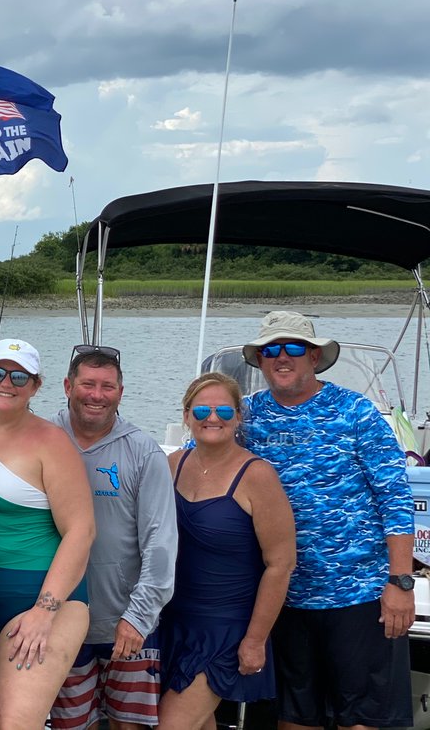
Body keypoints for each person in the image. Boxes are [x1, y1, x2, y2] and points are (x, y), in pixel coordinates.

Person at [240, 311, 415, 729]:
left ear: (314, 356)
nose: (283, 357)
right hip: (279, 596)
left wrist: (400, 583)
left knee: (364, 719)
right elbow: (195, 465)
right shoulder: (242, 416)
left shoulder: (357, 411)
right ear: (260, 360)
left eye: (294, 347)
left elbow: (395, 498)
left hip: (359, 596)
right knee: (294, 718)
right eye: (271, 350)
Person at [0, 339, 95, 730]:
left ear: (35, 385)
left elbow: (81, 531)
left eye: (19, 376)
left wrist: (43, 613)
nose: (6, 383)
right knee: (1, 716)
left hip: (42, 605)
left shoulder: (53, 444)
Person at [157, 373, 295, 730]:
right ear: (186, 415)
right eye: (201, 409)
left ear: (238, 417)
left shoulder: (257, 475)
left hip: (225, 629)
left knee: (170, 725)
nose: (212, 418)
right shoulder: (172, 465)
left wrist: (255, 640)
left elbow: (280, 564)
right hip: (173, 621)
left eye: (223, 410)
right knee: (200, 724)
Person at [51, 344, 177, 730]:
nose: (96, 395)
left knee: (129, 724)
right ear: (67, 386)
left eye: (107, 386)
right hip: (56, 619)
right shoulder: (42, 439)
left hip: (126, 621)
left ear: (121, 392)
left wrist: (138, 618)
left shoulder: (142, 452)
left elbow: (160, 543)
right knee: (70, 724)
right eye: (87, 384)